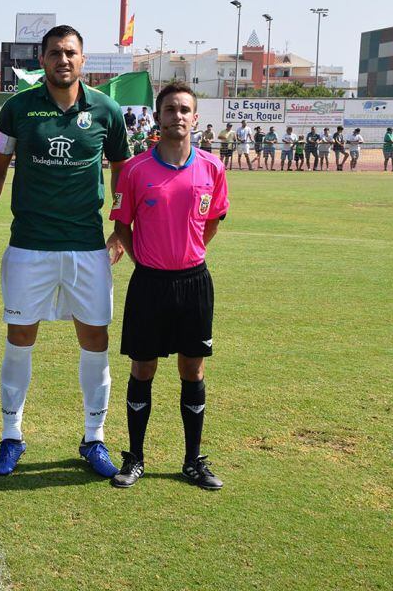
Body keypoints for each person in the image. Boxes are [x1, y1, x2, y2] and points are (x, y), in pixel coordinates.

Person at [0, 25, 131, 479]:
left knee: (95, 340)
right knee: (19, 338)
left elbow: (123, 171)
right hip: (30, 246)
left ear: (83, 59)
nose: (63, 60)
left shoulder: (106, 110)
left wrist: (120, 230)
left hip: (87, 248)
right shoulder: (17, 109)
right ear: (41, 60)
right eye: (55, 53)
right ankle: (11, 436)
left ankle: (94, 438)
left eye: (71, 53)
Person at [109, 80, 228, 491]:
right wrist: (145, 259)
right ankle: (135, 457)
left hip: (194, 282)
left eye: (184, 109)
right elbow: (121, 226)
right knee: (143, 367)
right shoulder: (136, 170)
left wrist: (189, 252)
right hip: (149, 284)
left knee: (192, 368)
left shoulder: (212, 168)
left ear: (195, 118)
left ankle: (193, 461)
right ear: (157, 118)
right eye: (170, 109)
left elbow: (212, 222)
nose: (177, 115)